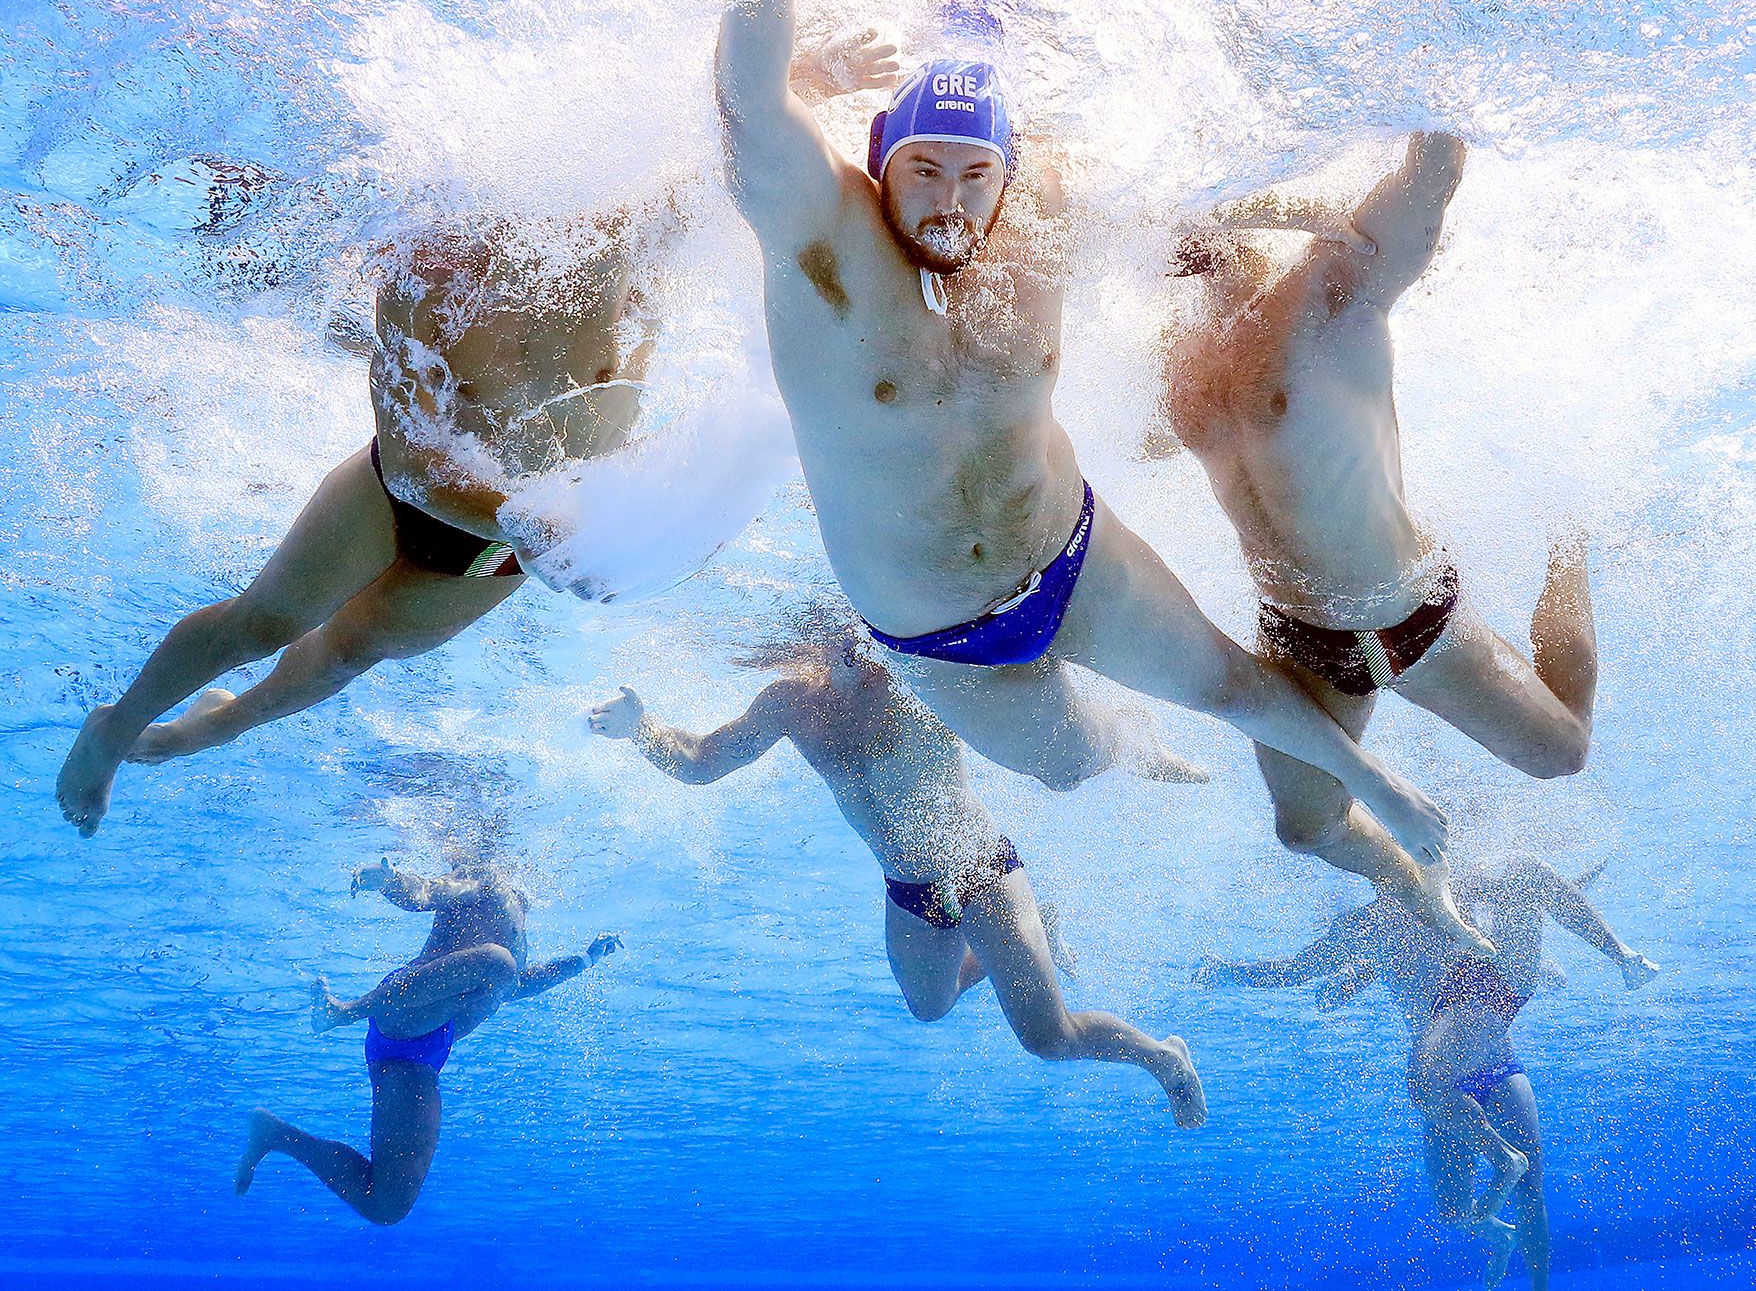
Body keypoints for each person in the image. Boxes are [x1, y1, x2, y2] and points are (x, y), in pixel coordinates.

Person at [711, 0, 1476, 946]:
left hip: (1070, 551)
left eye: (974, 172)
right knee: (1073, 766)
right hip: (942, 638)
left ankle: (1378, 780)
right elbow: (753, 101)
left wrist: (1289, 204)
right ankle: (1133, 742)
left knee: (1234, 685)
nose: (947, 200)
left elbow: (1175, 217)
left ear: (1008, 172)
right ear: (877, 162)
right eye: (921, 168)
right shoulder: (826, 244)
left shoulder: (1043, 217)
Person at [56, 213, 662, 835]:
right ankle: (114, 729)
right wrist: (533, 527)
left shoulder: (636, 269)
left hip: (505, 545)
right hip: (399, 498)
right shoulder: (429, 267)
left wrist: (615, 532)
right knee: (264, 625)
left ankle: (213, 726)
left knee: (347, 655)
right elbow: (410, 471)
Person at [1161, 132, 1596, 937]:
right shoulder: (1183, 353)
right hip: (1296, 640)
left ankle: (1572, 532)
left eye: (1212, 221)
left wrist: (1273, 204)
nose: (1192, 247)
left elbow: (1433, 171)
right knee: (1306, 828)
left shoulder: (1333, 285)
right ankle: (1423, 885)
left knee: (1563, 750)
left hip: (1408, 615)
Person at [585, 629, 1207, 1126]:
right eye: (840, 642)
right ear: (820, 643)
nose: (858, 653)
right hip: (909, 892)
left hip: (983, 874)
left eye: (865, 635)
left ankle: (1162, 1059)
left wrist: (1132, 745)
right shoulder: (790, 704)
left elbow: (1040, 713)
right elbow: (700, 762)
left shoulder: (924, 678)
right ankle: (1013, 948)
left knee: (1049, 1037)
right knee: (929, 1008)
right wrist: (638, 729)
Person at [1200, 860, 1657, 1289]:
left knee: (1529, 1185)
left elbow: (1537, 889)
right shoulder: (1368, 926)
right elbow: (1294, 970)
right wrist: (1230, 973)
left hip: (1485, 1039)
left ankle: (1535, 1274)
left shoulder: (1454, 891)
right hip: (1443, 1085)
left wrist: (1609, 947)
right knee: (1453, 1210)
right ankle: (1500, 1236)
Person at [235, 856, 620, 1225]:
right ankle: (342, 1012)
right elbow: (425, 892)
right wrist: (388, 881)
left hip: (422, 1056)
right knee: (500, 964)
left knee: (387, 1204)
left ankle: (276, 1134)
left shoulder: (517, 919)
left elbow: (516, 986)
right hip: (403, 1011)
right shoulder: (483, 881)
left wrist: (585, 960)